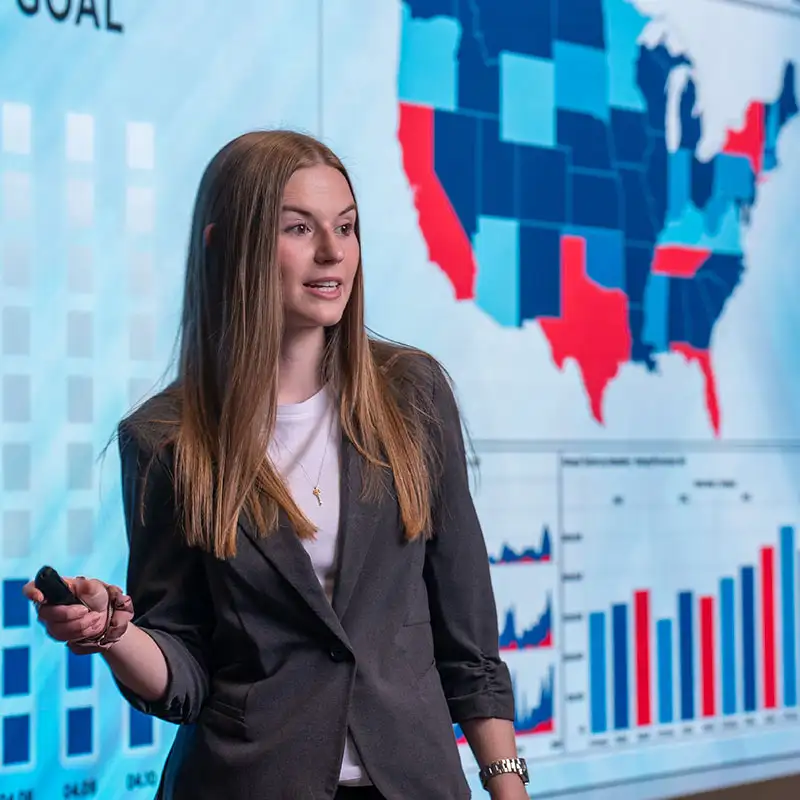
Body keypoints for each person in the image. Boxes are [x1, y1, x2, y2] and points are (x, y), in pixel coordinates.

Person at [24, 131, 529, 800]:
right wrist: (112, 634)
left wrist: (506, 784)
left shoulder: (414, 394)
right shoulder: (163, 440)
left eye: (345, 228)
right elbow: (186, 667)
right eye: (299, 228)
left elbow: (469, 640)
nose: (333, 253)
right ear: (224, 246)